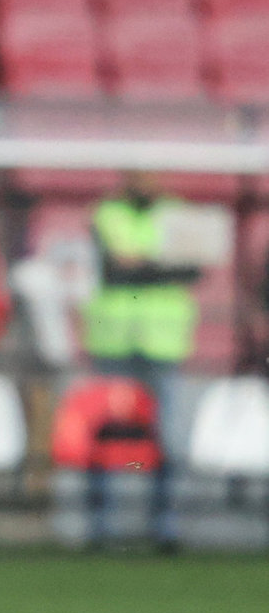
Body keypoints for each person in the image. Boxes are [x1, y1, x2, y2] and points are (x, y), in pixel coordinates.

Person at [82, 170, 203, 550]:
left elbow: (191, 269)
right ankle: (100, 526)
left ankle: (164, 525)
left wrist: (139, 265)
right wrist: (156, 266)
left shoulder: (177, 214)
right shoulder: (107, 214)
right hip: (114, 338)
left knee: (164, 437)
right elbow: (112, 269)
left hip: (163, 342)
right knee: (105, 433)